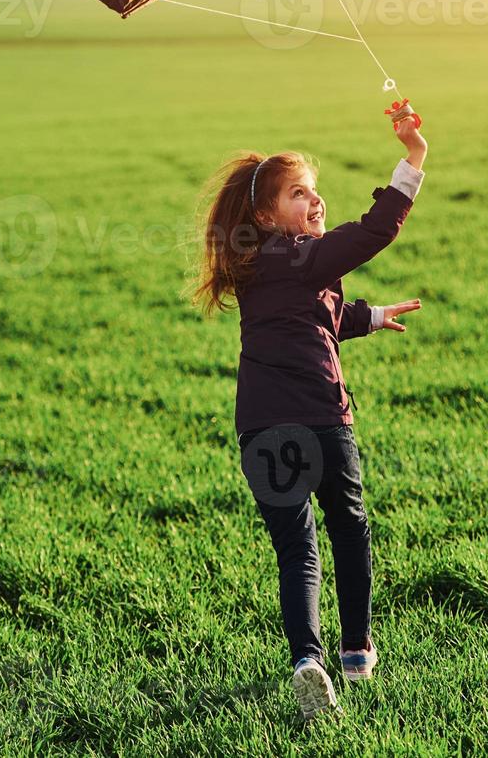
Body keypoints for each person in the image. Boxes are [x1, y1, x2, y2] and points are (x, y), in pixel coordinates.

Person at [188, 100, 428, 721]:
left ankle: (306, 661)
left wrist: (371, 317)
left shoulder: (261, 267)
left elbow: (314, 320)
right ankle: (356, 653)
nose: (316, 203)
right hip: (323, 421)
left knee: (297, 550)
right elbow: (373, 232)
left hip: (261, 431)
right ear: (268, 215)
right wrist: (412, 161)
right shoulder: (299, 256)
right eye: (300, 194)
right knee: (348, 530)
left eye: (316, 191)